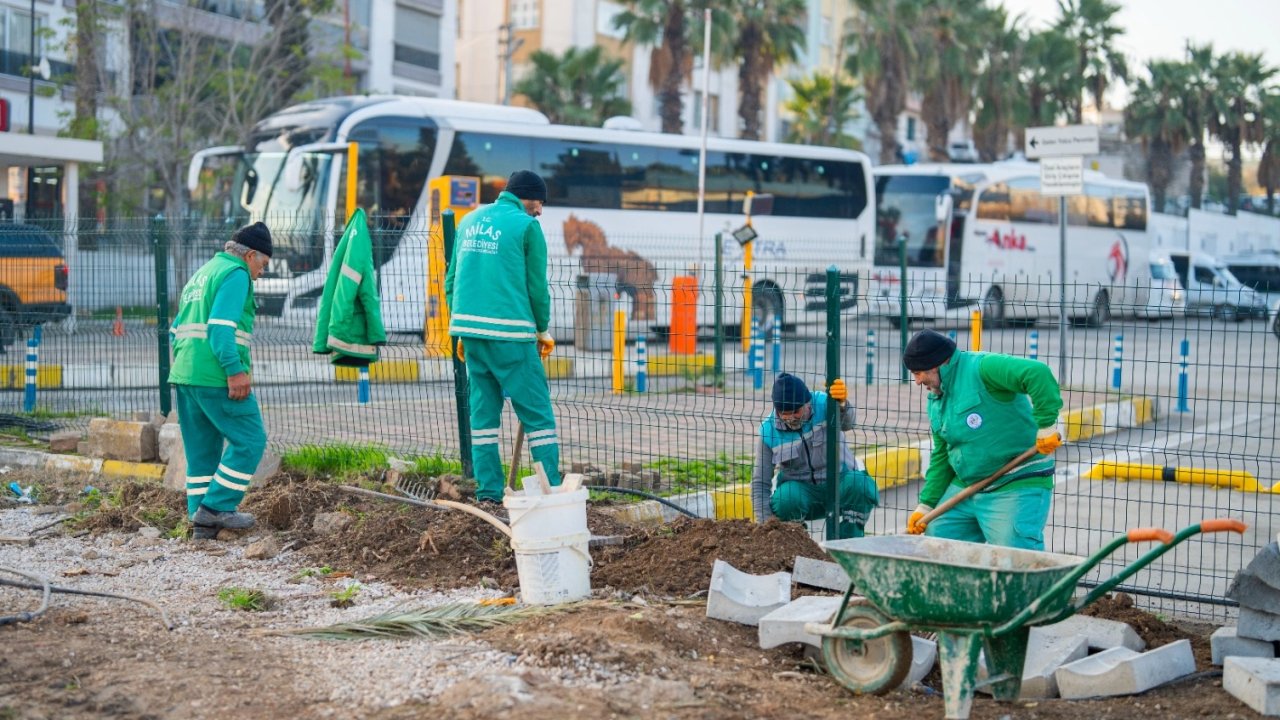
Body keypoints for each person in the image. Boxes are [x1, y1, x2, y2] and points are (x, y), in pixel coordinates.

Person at [445, 170, 560, 504]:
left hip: (471, 335)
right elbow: (537, 288)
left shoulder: (468, 222)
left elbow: (452, 279)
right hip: (511, 335)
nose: (540, 211)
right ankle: (550, 491)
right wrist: (542, 329)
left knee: (482, 417)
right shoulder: (527, 227)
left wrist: (463, 327)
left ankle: (489, 493)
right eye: (540, 202)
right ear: (528, 196)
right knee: (538, 415)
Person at [902, 330, 1064, 549]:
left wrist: (1046, 425)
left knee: (1015, 553)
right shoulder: (937, 397)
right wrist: (926, 504)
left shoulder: (983, 368)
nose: (917, 381)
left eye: (919, 373)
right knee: (938, 535)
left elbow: (1037, 373)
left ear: (938, 364)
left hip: (1014, 480)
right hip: (968, 484)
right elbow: (943, 454)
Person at [169, 222, 272, 540]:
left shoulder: (204, 272)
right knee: (250, 440)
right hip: (216, 376)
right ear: (250, 255)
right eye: (263, 264)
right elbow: (220, 327)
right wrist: (234, 370)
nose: (261, 273)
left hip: (186, 375)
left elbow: (175, 329)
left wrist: (190, 367)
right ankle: (217, 507)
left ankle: (200, 523)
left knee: (202, 452)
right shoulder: (236, 274)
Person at [751, 373, 879, 539]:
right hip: (803, 493)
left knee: (860, 485)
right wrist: (765, 526)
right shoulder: (768, 431)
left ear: (807, 403)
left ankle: (847, 546)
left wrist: (842, 405)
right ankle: (800, 545)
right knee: (785, 499)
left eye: (795, 412)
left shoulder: (824, 403)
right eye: (784, 413)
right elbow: (760, 482)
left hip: (839, 483)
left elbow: (849, 424)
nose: (790, 418)